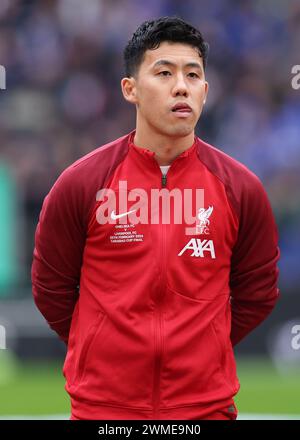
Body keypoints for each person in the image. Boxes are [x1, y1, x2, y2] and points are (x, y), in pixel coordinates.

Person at [31, 16, 280, 420]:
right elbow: (51, 289)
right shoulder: (80, 183)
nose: (181, 85)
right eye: (163, 72)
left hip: (205, 411)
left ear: (205, 90)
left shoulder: (242, 189)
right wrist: (102, 348)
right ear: (130, 89)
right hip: (103, 412)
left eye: (192, 74)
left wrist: (203, 348)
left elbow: (259, 294)